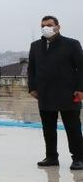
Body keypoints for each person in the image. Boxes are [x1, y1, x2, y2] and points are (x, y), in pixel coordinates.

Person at [27, 15, 83, 170]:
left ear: (58, 26)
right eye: (43, 25)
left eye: (49, 25)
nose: (46, 28)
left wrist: (80, 89)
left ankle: (78, 157)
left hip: (69, 93)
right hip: (44, 94)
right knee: (48, 128)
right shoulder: (36, 45)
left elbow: (81, 68)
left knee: (73, 128)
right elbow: (31, 69)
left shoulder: (71, 44)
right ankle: (51, 156)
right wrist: (32, 87)